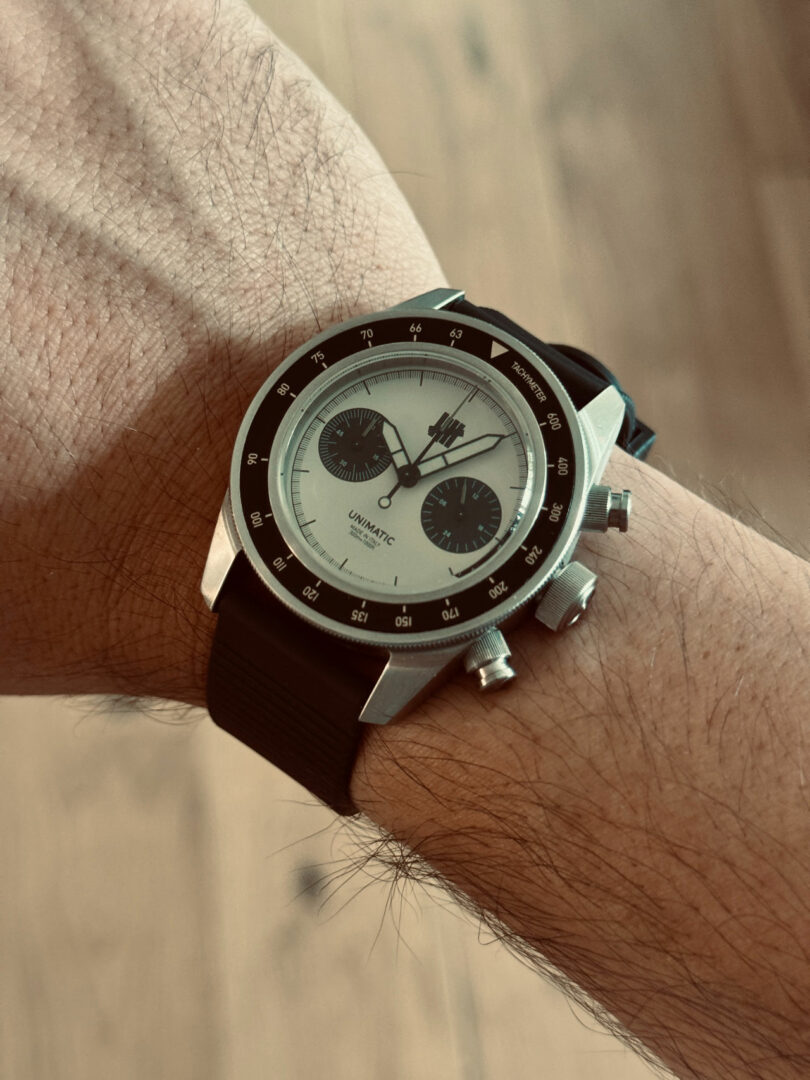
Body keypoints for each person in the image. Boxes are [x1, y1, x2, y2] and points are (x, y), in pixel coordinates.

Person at [1, 3, 807, 1078]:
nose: (416, 478)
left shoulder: (500, 607)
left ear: (563, 557)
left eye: (447, 497)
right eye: (397, 459)